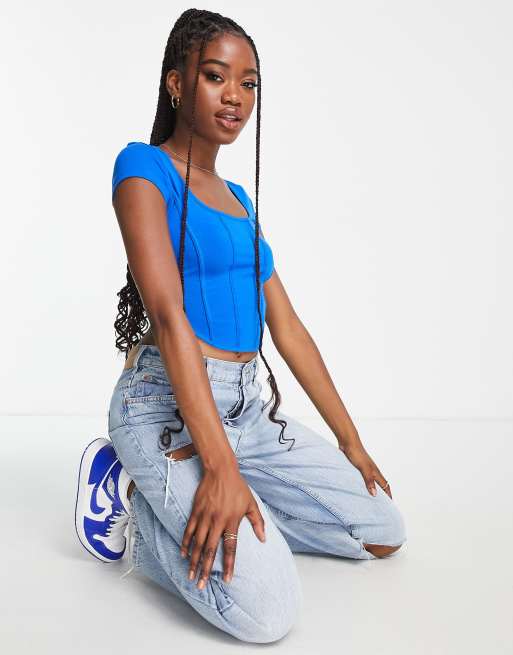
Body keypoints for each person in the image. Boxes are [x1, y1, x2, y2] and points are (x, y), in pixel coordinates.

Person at [74, 8, 407, 644]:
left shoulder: (239, 201)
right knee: (266, 613)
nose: (235, 96)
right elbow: (169, 317)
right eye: (216, 76)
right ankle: (136, 519)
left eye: (249, 83)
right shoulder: (143, 170)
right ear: (177, 83)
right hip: (166, 407)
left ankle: (206, 502)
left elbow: (289, 329)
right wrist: (219, 466)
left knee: (381, 531)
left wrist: (351, 442)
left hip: (246, 410)